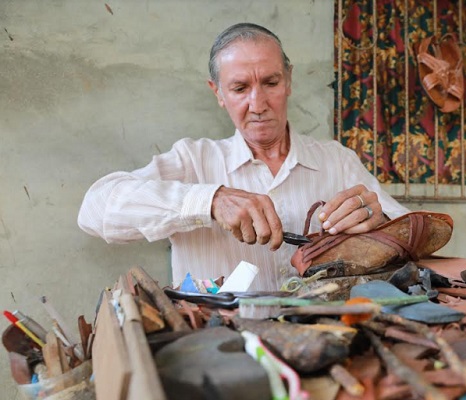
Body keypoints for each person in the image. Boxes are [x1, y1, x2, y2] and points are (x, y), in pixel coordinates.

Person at [77, 22, 410, 291]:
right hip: (222, 357)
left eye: (271, 82)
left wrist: (378, 225)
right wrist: (209, 201)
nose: (258, 103)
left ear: (289, 80)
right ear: (218, 93)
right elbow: (95, 210)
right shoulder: (194, 161)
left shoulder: (337, 161)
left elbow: (415, 237)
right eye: (239, 88)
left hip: (326, 343)